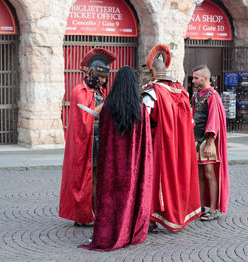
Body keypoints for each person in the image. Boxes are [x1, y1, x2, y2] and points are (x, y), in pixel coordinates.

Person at [80, 66, 153, 251]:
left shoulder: (108, 109)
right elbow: (145, 143)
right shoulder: (141, 109)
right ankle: (128, 231)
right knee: (130, 199)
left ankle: (109, 231)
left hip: (111, 166)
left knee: (111, 200)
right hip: (132, 167)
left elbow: (103, 136)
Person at [142, 44, 201, 233]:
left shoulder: (153, 92)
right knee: (177, 179)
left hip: (157, 145)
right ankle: (178, 214)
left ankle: (150, 220)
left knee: (154, 180)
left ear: (152, 73)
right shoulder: (181, 91)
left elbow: (142, 119)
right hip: (180, 145)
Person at [59, 48, 116, 226]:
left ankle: (97, 211)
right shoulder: (79, 91)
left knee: (99, 177)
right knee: (87, 177)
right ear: (91, 73)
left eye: (105, 78)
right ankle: (85, 214)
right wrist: (106, 105)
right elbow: (86, 118)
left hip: (99, 138)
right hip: (86, 141)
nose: (103, 81)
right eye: (101, 77)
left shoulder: (99, 92)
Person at [191, 65, 229, 221]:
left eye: (195, 78)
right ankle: (200, 207)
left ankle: (213, 209)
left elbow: (214, 120)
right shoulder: (195, 95)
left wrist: (209, 142)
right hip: (196, 139)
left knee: (209, 173)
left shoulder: (213, 96)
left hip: (208, 141)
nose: (193, 80)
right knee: (198, 174)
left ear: (205, 78)